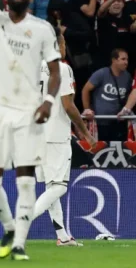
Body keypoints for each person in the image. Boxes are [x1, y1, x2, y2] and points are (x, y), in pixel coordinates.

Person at [0, 0, 62, 261]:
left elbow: (55, 72)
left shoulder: (42, 28)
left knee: (26, 181)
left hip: (28, 111)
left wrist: (48, 101)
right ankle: (10, 228)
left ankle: (20, 245)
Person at [32, 32, 96, 246]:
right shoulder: (62, 68)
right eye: (63, 43)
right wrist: (85, 133)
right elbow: (68, 105)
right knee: (59, 187)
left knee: (52, 187)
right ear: (58, 45)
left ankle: (62, 236)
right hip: (56, 134)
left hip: (37, 133)